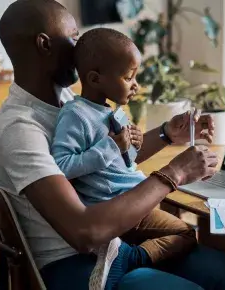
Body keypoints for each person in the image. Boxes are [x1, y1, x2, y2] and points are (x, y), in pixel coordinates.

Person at [0, 0, 225, 289]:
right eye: (74, 36)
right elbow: (85, 231)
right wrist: (174, 174)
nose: (80, 45)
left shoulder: (66, 101)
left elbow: (107, 162)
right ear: (44, 44)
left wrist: (166, 134)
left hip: (115, 242)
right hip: (77, 264)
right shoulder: (20, 128)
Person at [52, 27, 198, 289]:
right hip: (117, 207)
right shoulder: (75, 114)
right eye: (128, 77)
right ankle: (127, 259)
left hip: (133, 198)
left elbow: (121, 163)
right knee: (185, 232)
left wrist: (131, 147)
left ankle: (124, 252)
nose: (136, 85)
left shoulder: (111, 111)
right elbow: (62, 167)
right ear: (95, 79)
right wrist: (111, 145)